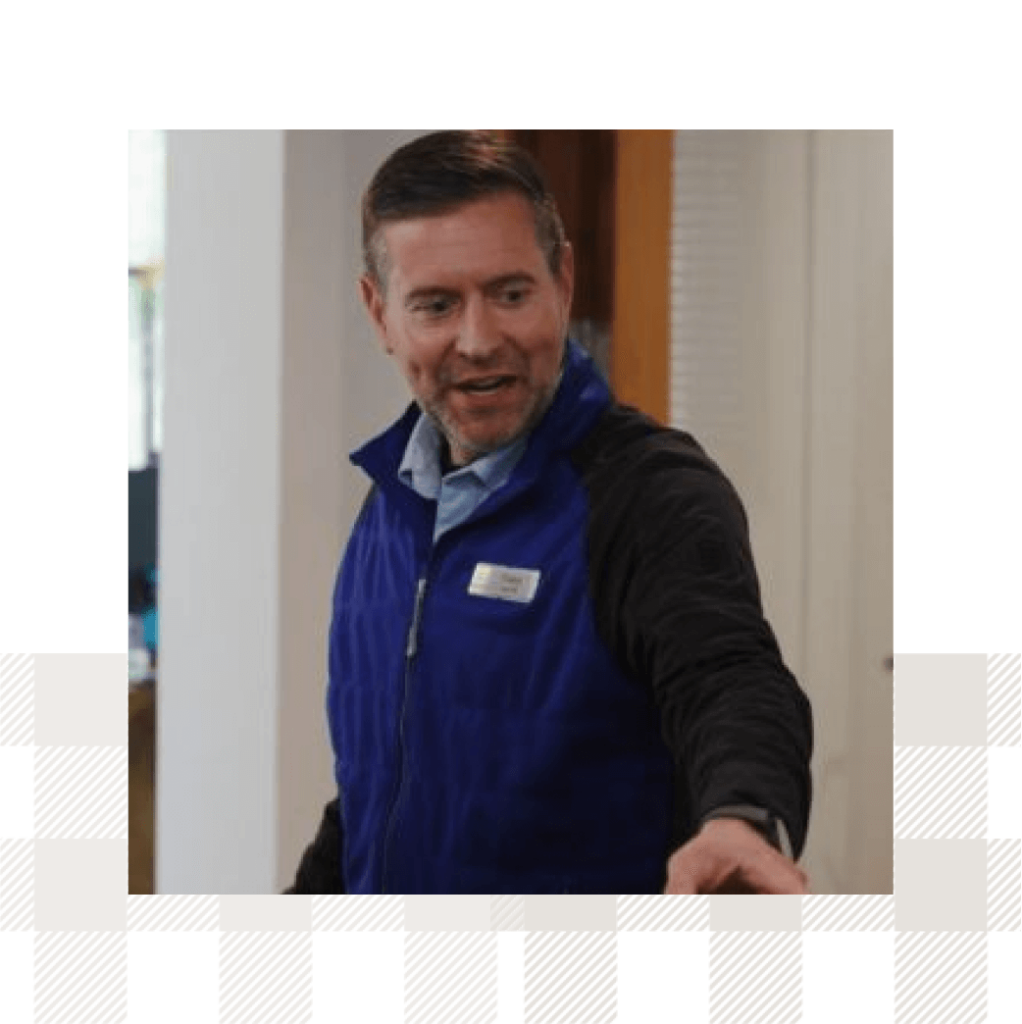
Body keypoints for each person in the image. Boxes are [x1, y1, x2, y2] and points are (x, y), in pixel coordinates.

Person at [286, 130, 812, 895]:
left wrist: (740, 817)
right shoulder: (390, 506)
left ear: (561, 280)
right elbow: (377, 792)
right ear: (379, 313)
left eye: (510, 293)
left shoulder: (650, 493)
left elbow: (730, 678)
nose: (479, 340)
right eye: (436, 305)